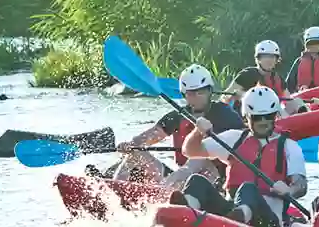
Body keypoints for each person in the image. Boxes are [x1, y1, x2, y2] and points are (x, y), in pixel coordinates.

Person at [173, 86, 308, 227]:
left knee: (248, 188)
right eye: (257, 117)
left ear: (275, 115)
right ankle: (185, 213)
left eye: (268, 116)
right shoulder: (234, 138)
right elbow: (190, 151)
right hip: (231, 211)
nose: (263, 121)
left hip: (268, 221)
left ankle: (236, 220)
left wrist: (290, 190)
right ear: (247, 117)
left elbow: (301, 185)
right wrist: (198, 132)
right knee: (196, 180)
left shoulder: (290, 147)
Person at [100, 64, 243, 188]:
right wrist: (130, 145)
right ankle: (113, 191)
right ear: (183, 94)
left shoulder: (225, 114)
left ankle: (163, 194)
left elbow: (246, 142)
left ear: (210, 91)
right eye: (191, 94)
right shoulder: (177, 116)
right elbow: (147, 138)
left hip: (212, 181)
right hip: (177, 178)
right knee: (135, 153)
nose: (196, 97)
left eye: (201, 92)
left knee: (200, 159)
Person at [220, 40, 305, 115]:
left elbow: (288, 100)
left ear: (276, 60)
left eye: (272, 57)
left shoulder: (278, 78)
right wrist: (242, 96)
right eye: (265, 56)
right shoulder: (247, 74)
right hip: (251, 117)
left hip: (274, 115)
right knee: (279, 110)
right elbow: (224, 97)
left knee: (297, 101)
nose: (269, 60)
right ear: (258, 59)